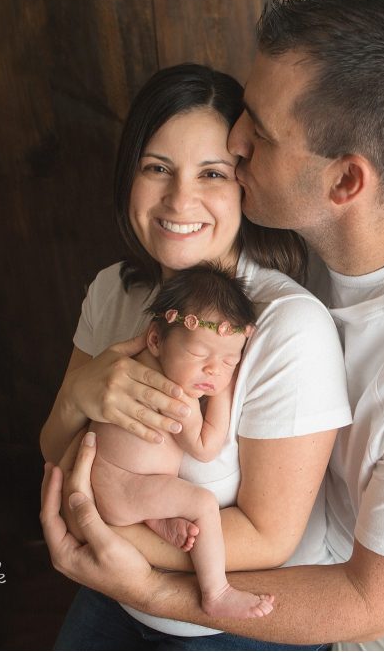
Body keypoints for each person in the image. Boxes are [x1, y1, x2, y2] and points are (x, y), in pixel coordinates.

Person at [42, 0, 384, 651]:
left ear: (345, 183)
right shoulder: (312, 238)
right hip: (291, 561)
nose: (235, 139)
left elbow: (368, 601)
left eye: (258, 127)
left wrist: (142, 579)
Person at [39, 63, 351, 649]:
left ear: (245, 185)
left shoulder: (285, 328)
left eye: (211, 173)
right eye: (157, 167)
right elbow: (55, 451)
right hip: (111, 591)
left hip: (239, 622)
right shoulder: (114, 290)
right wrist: (79, 397)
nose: (179, 198)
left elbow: (268, 536)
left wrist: (111, 544)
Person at [82, 265, 274, 620]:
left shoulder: (127, 366)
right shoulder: (177, 399)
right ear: (155, 340)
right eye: (201, 356)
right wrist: (226, 390)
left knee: (175, 500)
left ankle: (158, 521)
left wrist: (211, 367)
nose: (214, 371)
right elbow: (204, 447)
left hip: (111, 482)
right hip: (123, 487)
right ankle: (216, 591)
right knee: (202, 503)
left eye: (230, 361)